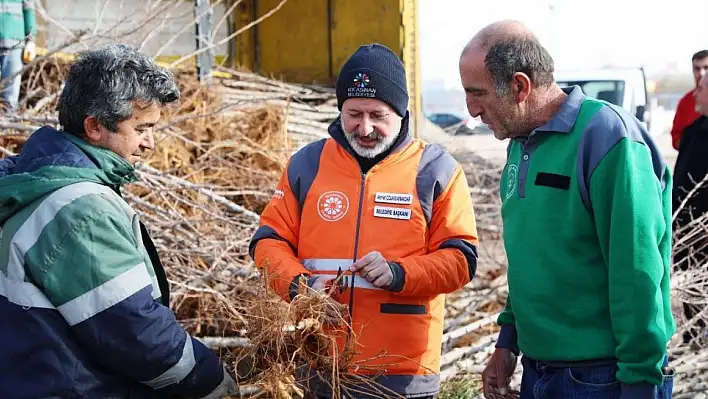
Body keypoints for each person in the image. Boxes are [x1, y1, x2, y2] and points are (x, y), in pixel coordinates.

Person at [0, 44, 237, 399]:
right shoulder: (79, 210)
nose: (150, 144)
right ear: (94, 126)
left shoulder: (35, 174)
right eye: (142, 128)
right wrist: (210, 379)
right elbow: (135, 333)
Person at [249, 43, 479, 399]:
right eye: (354, 113)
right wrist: (301, 288)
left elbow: (461, 260)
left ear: (400, 113)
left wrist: (399, 274)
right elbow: (268, 243)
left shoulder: (435, 170)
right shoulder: (307, 165)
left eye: (378, 115)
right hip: (318, 364)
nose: (365, 127)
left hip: (402, 374)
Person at [458, 20, 675, 398]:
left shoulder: (608, 137)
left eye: (477, 93)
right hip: (538, 372)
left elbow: (636, 270)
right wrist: (508, 341)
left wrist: (640, 381)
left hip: (602, 378)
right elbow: (534, 256)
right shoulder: (519, 144)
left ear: (520, 87)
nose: (471, 109)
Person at [672, 72, 708, 345]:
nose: (694, 93)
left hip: (704, 228)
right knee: (690, 290)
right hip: (686, 228)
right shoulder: (693, 131)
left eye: (702, 89)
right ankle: (695, 339)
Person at [0, 0, 37, 113]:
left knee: (10, 95)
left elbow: (29, 9)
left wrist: (31, 40)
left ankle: (7, 126)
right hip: (15, 41)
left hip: (15, 43)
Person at [670, 50, 708, 150]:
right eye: (697, 68)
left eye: (706, 68)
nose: (701, 73)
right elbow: (676, 138)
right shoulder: (685, 102)